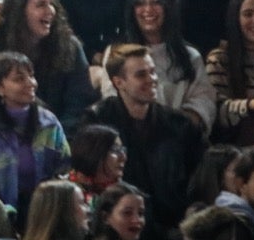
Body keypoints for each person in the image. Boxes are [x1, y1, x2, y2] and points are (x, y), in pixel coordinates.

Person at [85, 46, 207, 229]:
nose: (152, 79)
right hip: (120, 225)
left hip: (174, 225)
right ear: (119, 83)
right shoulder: (97, 121)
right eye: (141, 75)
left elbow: (201, 175)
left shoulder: (179, 124)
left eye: (153, 72)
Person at [0, 0, 99, 134]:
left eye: (51, 4)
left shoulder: (70, 46)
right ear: (19, 11)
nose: (50, 11)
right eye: (41, 5)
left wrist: (57, 133)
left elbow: (80, 99)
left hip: (63, 134)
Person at [99, 0, 216, 130]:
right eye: (140, 2)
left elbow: (203, 101)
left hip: (179, 138)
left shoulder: (190, 56)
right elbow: (111, 99)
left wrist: (172, 127)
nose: (148, 9)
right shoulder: (116, 52)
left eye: (156, 1)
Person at [0, 51, 72, 212]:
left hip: (45, 212)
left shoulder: (49, 123)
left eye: (31, 76)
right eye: (19, 79)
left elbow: (65, 167)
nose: (31, 83)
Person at [203, 0, 254, 147]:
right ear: (236, 19)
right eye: (248, 14)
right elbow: (216, 112)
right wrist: (252, 105)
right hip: (236, 147)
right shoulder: (219, 58)